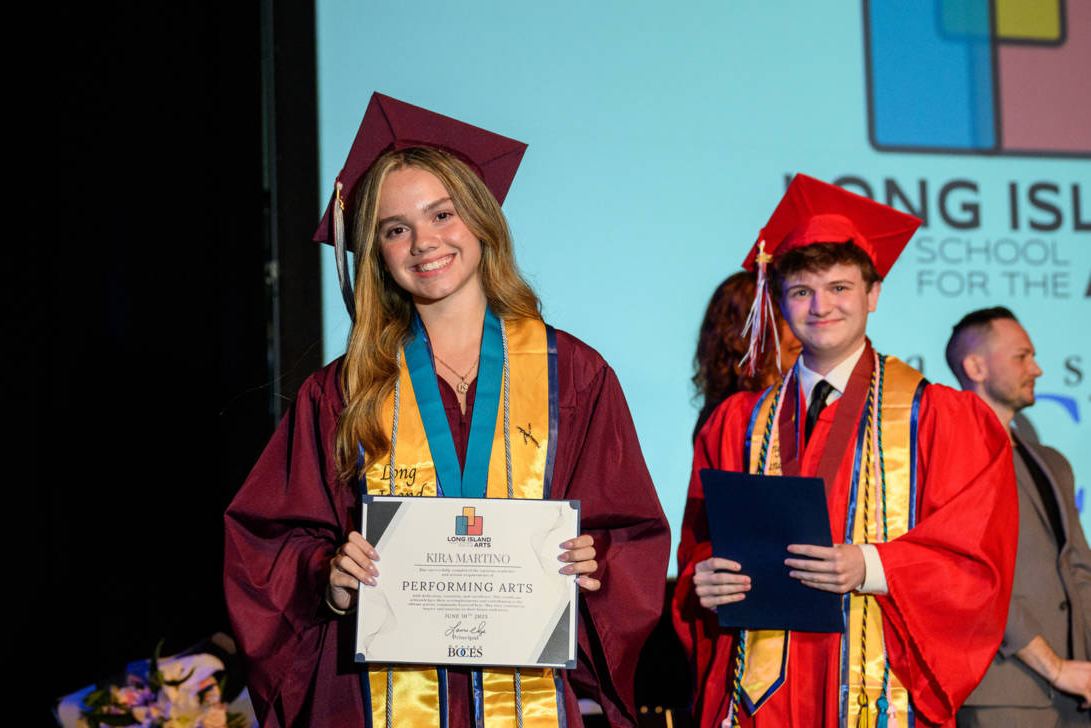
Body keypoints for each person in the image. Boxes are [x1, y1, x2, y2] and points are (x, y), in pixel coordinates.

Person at [224, 93, 670, 728]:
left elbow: (629, 532)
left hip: (529, 696)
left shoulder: (574, 374)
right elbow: (265, 545)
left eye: (441, 214)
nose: (423, 242)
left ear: (481, 219)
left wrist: (595, 561)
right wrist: (328, 574)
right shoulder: (343, 390)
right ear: (376, 251)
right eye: (395, 228)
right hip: (373, 701)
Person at [672, 174, 1019, 728]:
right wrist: (705, 578)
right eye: (801, 292)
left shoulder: (940, 418)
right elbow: (700, 545)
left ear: (872, 295)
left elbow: (976, 561)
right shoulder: (736, 423)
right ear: (780, 301)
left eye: (839, 287)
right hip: (764, 697)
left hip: (878, 689)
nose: (821, 306)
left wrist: (871, 565)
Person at [946, 307, 1091, 727]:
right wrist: (1053, 666)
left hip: (1075, 692)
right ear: (976, 367)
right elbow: (973, 576)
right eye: (1021, 357)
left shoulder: (1050, 462)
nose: (1037, 369)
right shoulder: (949, 458)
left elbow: (1078, 570)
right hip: (1002, 694)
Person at [692, 270, 801, 441]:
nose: (802, 332)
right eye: (786, 320)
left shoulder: (810, 401)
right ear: (751, 336)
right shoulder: (725, 426)